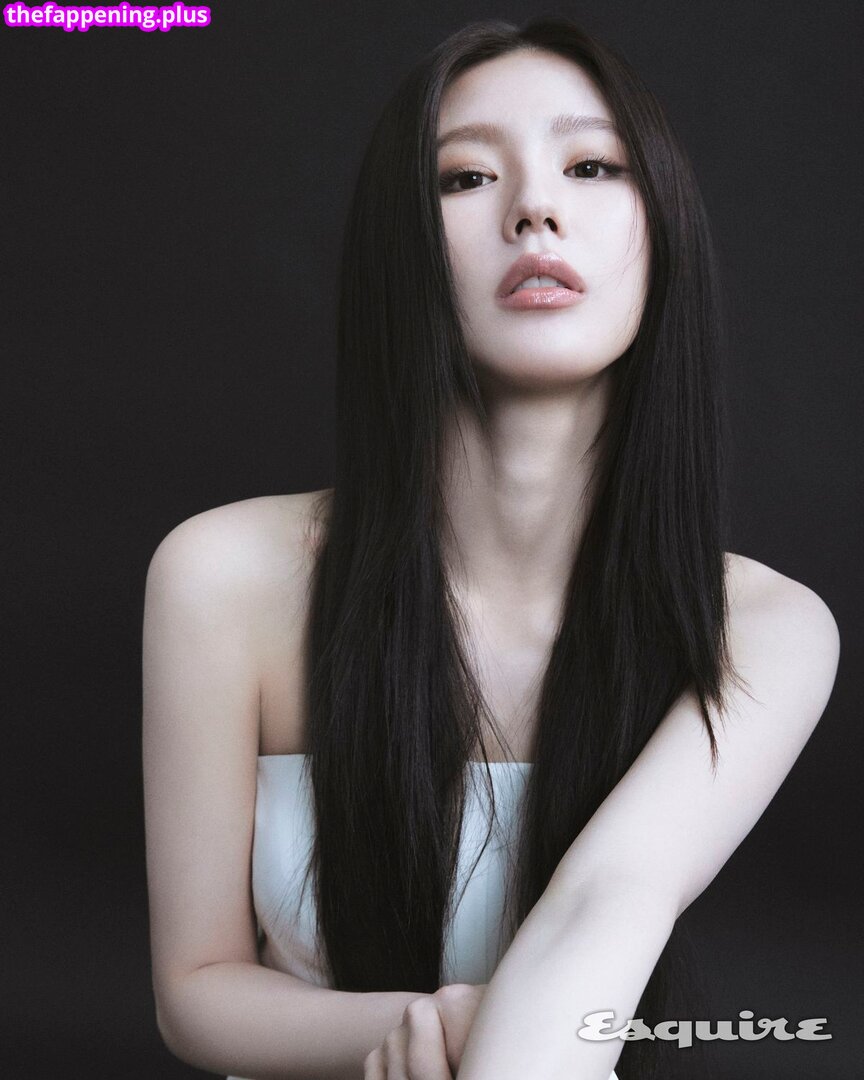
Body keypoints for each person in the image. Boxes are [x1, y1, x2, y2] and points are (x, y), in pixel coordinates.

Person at [142, 17, 840, 1080]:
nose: (534, 208)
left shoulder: (764, 629)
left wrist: (509, 1042)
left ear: (664, 229)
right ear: (400, 249)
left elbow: (607, 904)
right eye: (465, 178)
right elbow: (196, 990)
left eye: (592, 166)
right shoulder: (220, 577)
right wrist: (427, 1030)